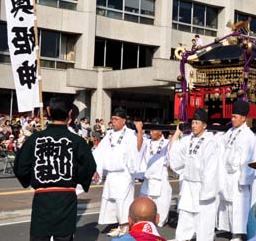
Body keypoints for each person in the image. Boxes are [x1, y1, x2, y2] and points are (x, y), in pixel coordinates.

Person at [14, 96, 96, 241]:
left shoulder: (35, 139)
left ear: (48, 111)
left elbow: (20, 167)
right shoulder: (76, 141)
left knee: (39, 236)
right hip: (66, 198)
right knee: (64, 237)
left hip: (42, 197)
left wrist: (31, 180)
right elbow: (88, 168)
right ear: (70, 114)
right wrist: (77, 178)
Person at [169, 108, 219, 241]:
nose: (194, 125)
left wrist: (206, 191)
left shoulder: (210, 142)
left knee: (203, 220)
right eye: (193, 122)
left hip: (202, 186)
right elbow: (175, 151)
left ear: (204, 125)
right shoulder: (188, 139)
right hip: (188, 185)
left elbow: (211, 169)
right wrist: (177, 132)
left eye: (197, 123)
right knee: (185, 216)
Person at [93, 107, 140, 237]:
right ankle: (118, 224)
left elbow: (135, 151)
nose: (113, 121)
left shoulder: (130, 134)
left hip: (124, 173)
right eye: (112, 119)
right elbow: (99, 152)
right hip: (111, 174)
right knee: (111, 199)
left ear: (123, 121)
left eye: (116, 119)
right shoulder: (109, 134)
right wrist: (95, 168)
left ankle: (125, 226)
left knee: (122, 200)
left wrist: (132, 169)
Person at [218, 100, 256, 241]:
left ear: (243, 118)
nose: (232, 119)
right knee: (227, 201)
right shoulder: (230, 131)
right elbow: (221, 145)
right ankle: (229, 229)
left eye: (235, 117)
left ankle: (238, 233)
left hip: (238, 174)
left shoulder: (248, 134)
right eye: (232, 116)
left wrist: (244, 179)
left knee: (238, 203)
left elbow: (247, 158)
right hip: (227, 173)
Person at [137, 120, 172, 227]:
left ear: (161, 132)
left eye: (154, 130)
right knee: (145, 201)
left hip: (160, 177)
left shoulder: (167, 143)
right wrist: (139, 132)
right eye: (150, 130)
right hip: (148, 178)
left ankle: (160, 219)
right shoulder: (147, 142)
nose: (151, 132)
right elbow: (138, 147)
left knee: (162, 201)